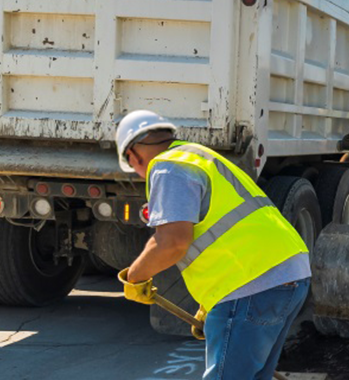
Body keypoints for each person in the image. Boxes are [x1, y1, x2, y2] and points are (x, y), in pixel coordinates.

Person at [114, 110, 311, 379]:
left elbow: (172, 242)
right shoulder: (198, 156)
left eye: (133, 166)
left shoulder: (166, 167)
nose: (138, 173)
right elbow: (224, 231)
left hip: (253, 285)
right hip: (288, 274)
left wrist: (135, 278)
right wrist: (211, 304)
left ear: (134, 154)